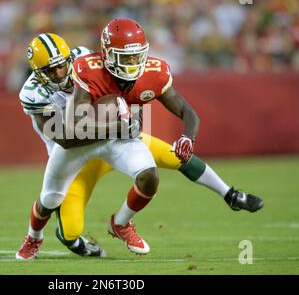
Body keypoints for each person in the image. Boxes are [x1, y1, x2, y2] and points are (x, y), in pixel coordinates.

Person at [16, 29, 263, 260]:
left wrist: (125, 113)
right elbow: (66, 138)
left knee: (169, 158)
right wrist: (119, 125)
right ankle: (34, 237)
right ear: (37, 73)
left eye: (61, 65)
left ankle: (228, 194)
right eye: (50, 70)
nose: (59, 73)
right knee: (52, 202)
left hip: (114, 139)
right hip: (75, 152)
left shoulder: (84, 60)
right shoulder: (33, 93)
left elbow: (119, 79)